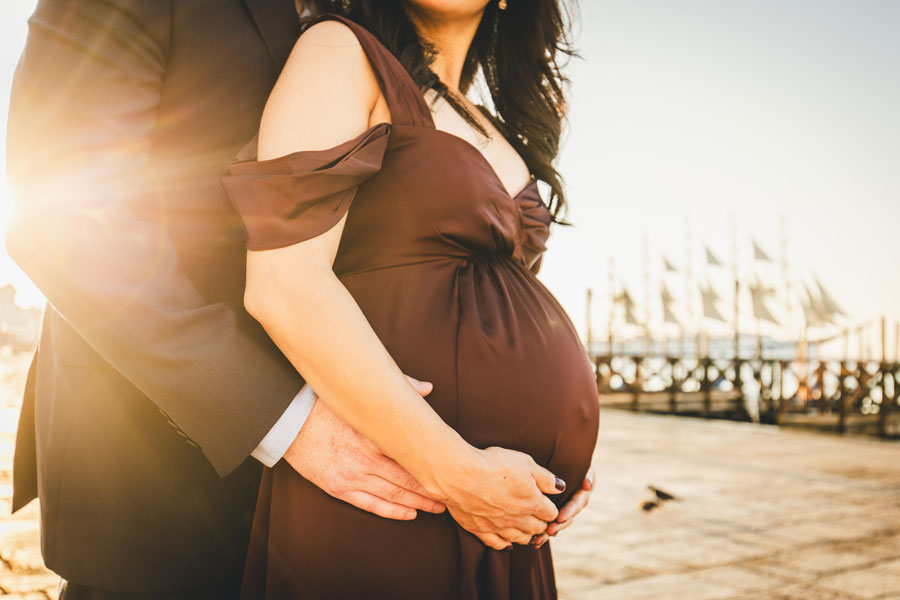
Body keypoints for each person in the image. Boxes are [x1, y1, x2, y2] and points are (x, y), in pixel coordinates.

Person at [4, 0, 595, 598]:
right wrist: (287, 421)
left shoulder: (405, 51)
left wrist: (545, 442)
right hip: (162, 451)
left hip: (391, 469)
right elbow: (68, 222)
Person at [221, 2, 600, 598]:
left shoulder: (493, 122)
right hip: (399, 491)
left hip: (501, 515)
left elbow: (503, 308)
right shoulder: (341, 51)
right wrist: (454, 470)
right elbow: (284, 284)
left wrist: (560, 461)